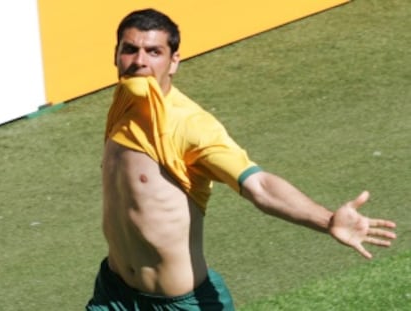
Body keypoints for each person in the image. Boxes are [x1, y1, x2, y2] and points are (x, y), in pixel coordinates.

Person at [86, 8, 397, 311]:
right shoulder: (125, 102)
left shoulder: (190, 126)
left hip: (180, 304)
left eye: (154, 52)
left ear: (173, 61)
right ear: (116, 54)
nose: (139, 61)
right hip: (115, 294)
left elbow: (259, 185)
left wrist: (326, 219)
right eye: (130, 50)